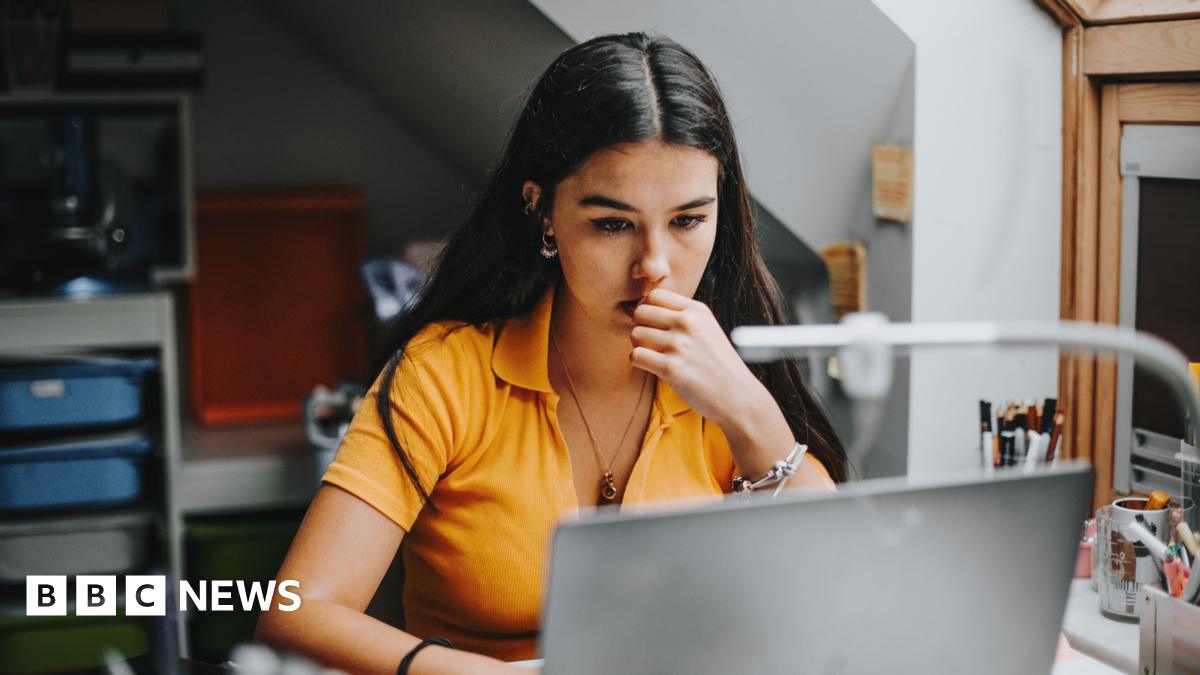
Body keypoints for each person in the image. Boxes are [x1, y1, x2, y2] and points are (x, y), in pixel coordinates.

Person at [256, 31, 847, 675]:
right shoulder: (446, 372)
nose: (654, 267)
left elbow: (834, 595)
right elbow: (296, 611)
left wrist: (748, 411)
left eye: (687, 221)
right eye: (612, 223)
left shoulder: (731, 373)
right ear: (542, 211)